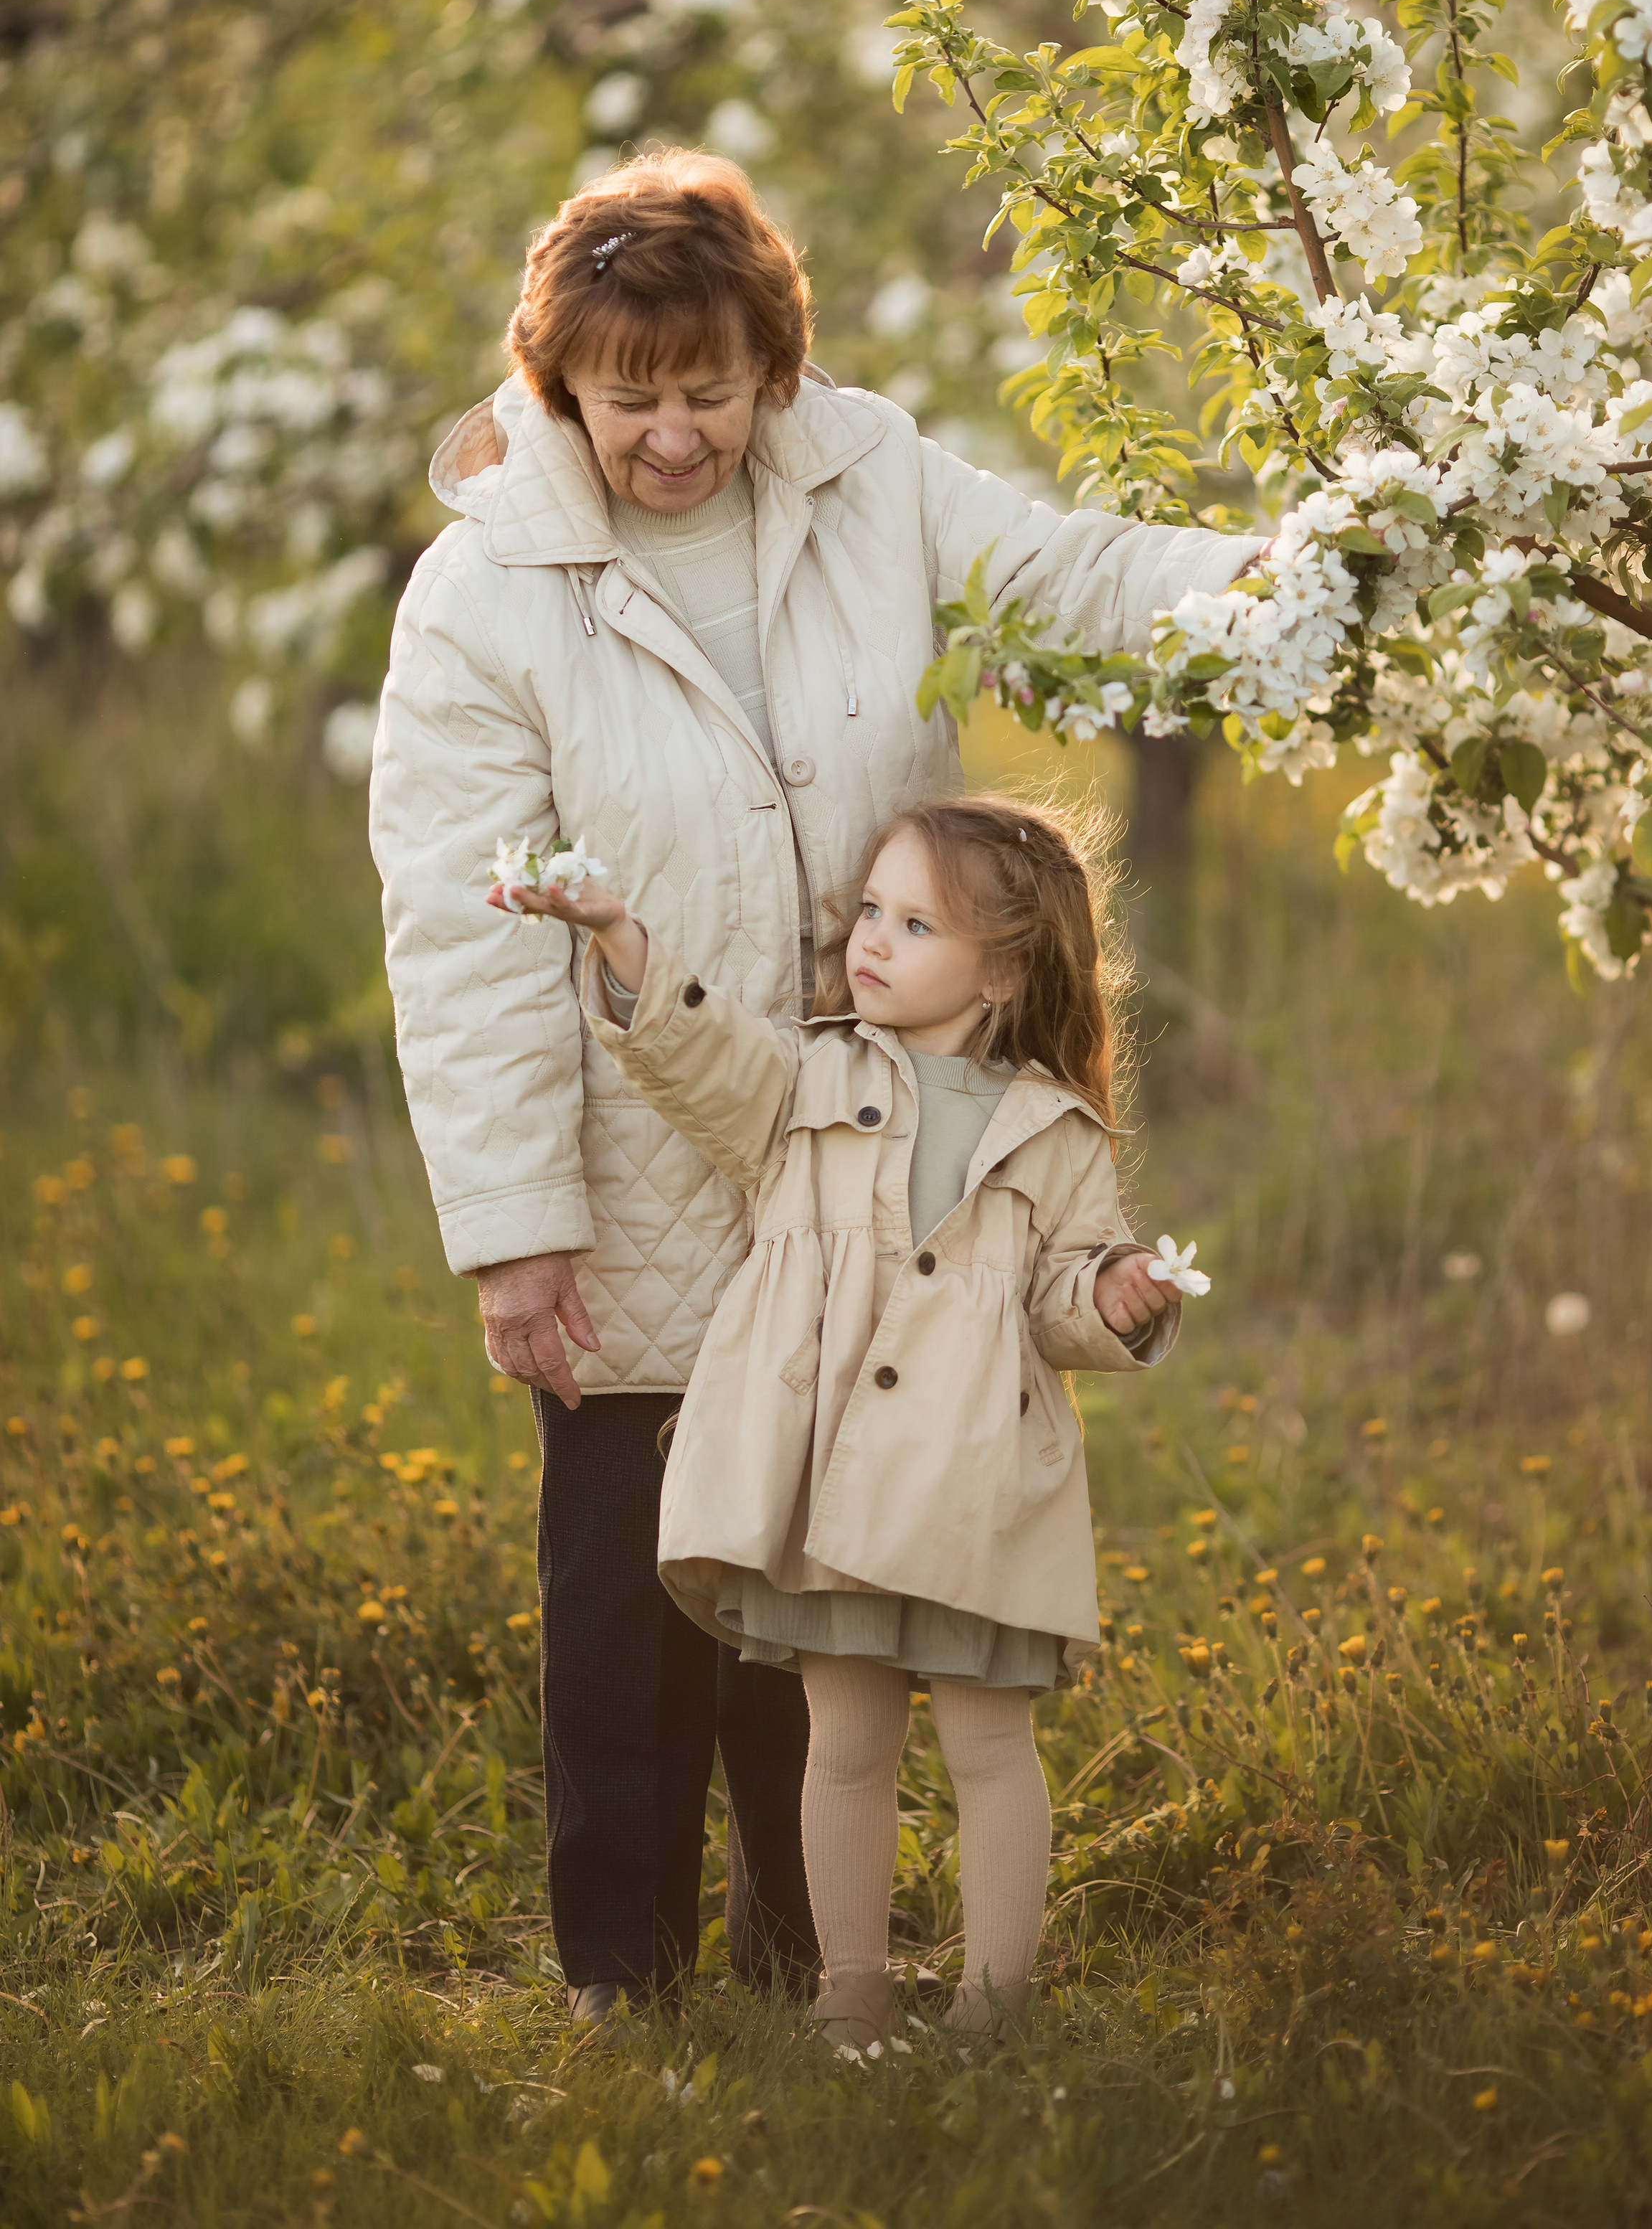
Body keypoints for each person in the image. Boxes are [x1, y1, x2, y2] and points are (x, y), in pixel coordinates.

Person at [368, 148, 1259, 2027]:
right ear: (557, 387)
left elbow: (1077, 579)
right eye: (632, 399)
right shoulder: (483, 600)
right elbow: (469, 941)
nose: (675, 434)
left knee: (811, 1582)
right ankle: (626, 1976)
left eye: (710, 390)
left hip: (864, 1144)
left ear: (773, 367)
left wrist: (1280, 585)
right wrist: (519, 1232)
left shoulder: (876, 490)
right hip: (635, 1156)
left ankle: (810, 1952)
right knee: (633, 1589)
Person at [491, 794, 1187, 2049]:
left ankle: (993, 2003)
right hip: (841, 1491)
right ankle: (848, 1989)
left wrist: (1117, 1296)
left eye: (914, 923)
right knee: (846, 1738)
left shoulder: (1057, 1131)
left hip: (974, 1490)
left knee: (989, 1747)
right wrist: (617, 934)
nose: (870, 939)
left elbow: (1060, 1297)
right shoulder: (810, 1077)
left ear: (1007, 969)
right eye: (871, 908)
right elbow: (702, 1053)